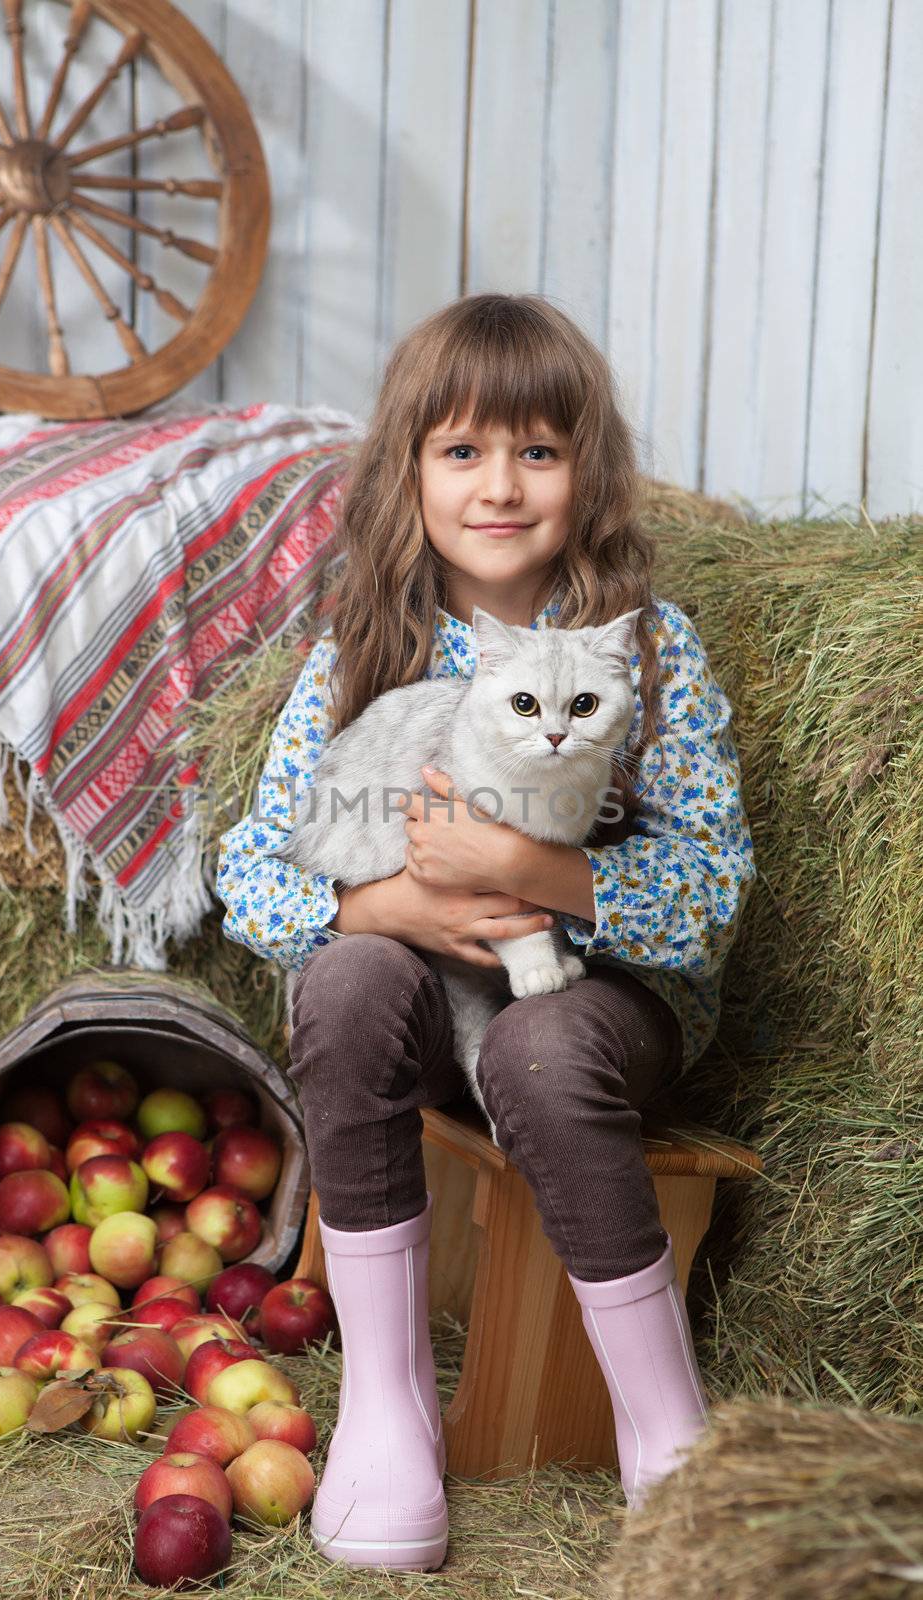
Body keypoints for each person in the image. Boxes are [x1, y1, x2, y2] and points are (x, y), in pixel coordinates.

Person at [215, 293, 756, 1571]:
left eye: (536, 450)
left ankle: (664, 1431)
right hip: (410, 994)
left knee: (537, 1050)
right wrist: (387, 903)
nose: (498, 485)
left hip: (596, 1003)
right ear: (410, 472)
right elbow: (248, 871)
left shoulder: (648, 653)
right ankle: (389, 1412)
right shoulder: (357, 648)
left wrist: (528, 867)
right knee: (344, 982)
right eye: (461, 451)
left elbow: (711, 887)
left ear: (588, 472)